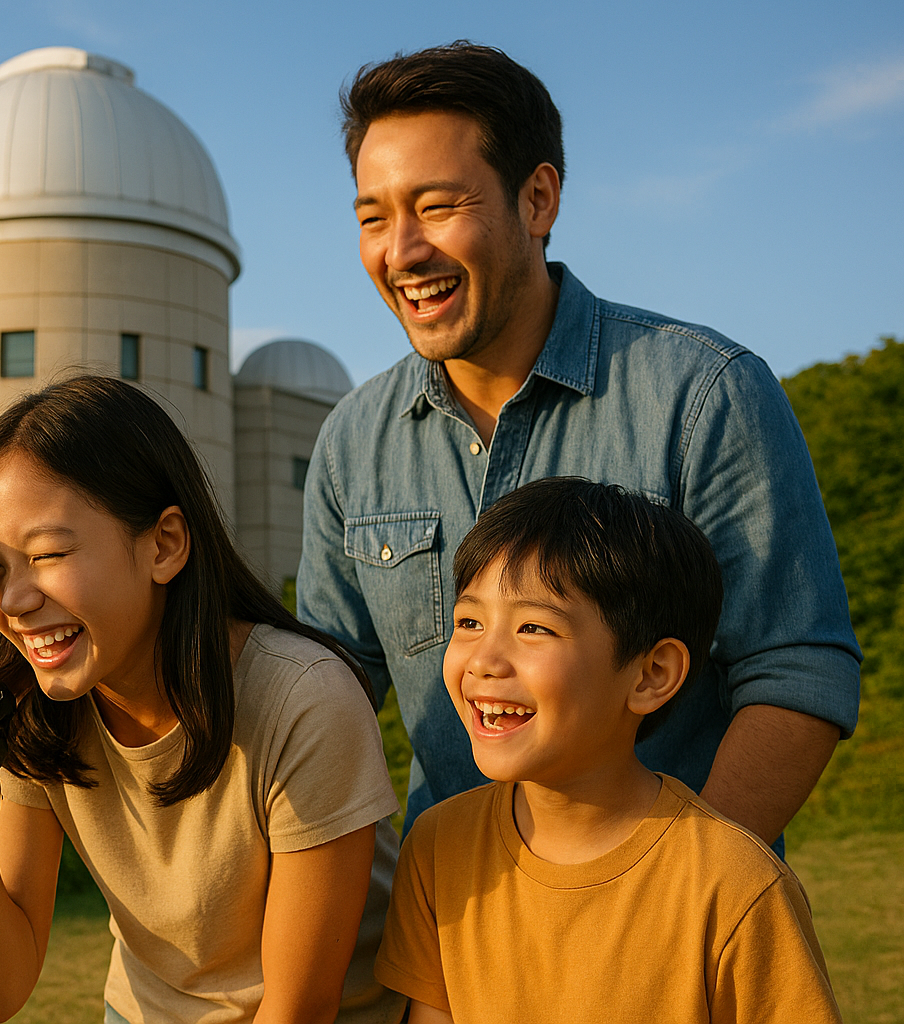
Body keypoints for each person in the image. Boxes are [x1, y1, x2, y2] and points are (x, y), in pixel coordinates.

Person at [299, 42, 861, 843]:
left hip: (670, 897)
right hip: (451, 909)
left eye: (438, 206)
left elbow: (797, 669)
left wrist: (676, 889)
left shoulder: (705, 392)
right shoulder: (351, 441)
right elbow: (325, 695)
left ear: (538, 200)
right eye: (373, 218)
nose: (402, 251)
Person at [0, 375, 404, 1024]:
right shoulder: (32, 708)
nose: (17, 600)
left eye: (50, 553)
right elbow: (0, 993)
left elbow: (299, 1007)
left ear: (164, 544)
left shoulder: (304, 699)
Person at [374, 477, 841, 1022]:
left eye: (533, 627)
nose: (483, 660)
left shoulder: (737, 884)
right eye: (469, 621)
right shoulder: (436, 848)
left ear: (652, 674)